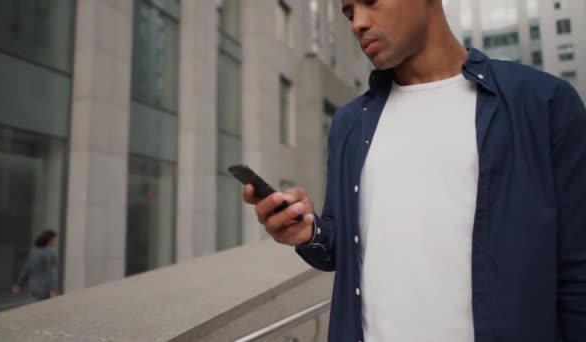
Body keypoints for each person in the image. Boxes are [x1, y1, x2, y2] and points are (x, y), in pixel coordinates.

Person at [243, 0, 586, 341]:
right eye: (349, 13)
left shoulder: (542, 103)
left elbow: (577, 273)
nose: (357, 24)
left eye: (369, 3)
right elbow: (344, 247)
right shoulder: (349, 124)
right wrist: (308, 231)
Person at [12, 230, 59, 301]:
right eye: (54, 240)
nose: (55, 242)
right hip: (44, 289)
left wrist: (19, 285)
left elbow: (26, 269)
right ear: (49, 240)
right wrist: (52, 290)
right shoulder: (49, 253)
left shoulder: (33, 251)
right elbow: (49, 273)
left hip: (33, 288)